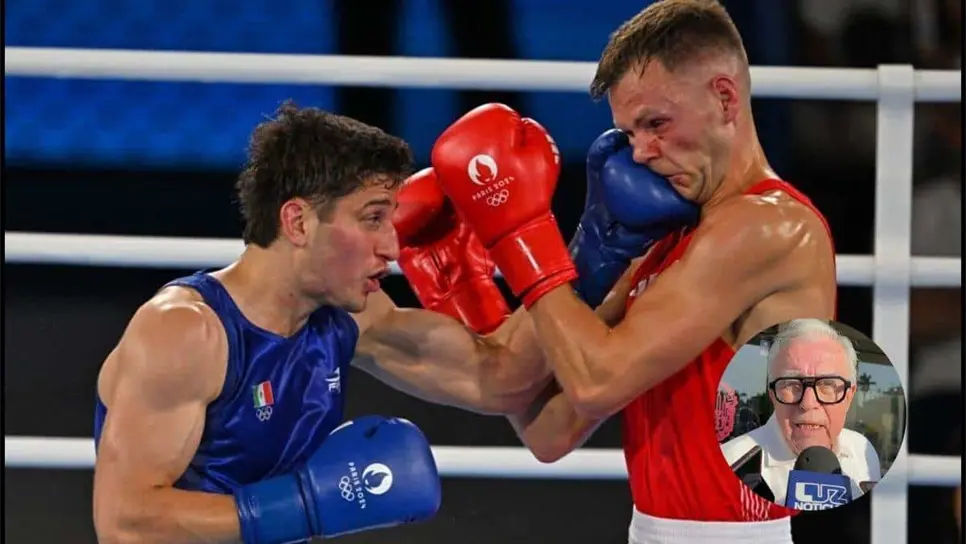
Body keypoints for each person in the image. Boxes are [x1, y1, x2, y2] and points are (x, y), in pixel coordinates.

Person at [426, 1, 839, 541]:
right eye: (629, 132)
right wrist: (471, 289)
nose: (641, 152)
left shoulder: (768, 227)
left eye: (657, 124)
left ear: (724, 98)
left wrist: (522, 236)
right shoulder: (665, 236)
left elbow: (597, 383)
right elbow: (549, 431)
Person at [91, 102, 554, 544]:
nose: (393, 249)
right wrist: (305, 506)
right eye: (373, 218)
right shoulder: (186, 333)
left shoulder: (347, 317)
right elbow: (127, 523)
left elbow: (499, 378)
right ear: (298, 222)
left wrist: (596, 250)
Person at [720, 319, 881, 505]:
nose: (808, 403)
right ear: (772, 394)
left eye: (827, 385)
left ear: (849, 395)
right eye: (791, 384)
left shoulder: (864, 451)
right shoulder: (731, 462)